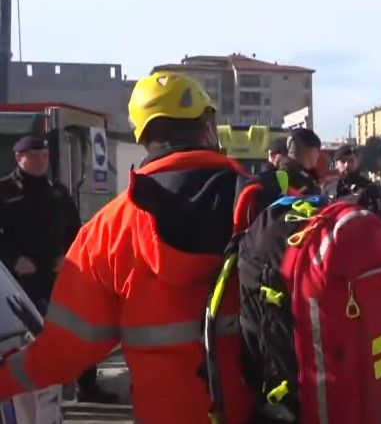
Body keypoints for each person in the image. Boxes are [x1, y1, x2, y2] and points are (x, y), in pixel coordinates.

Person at [0, 72, 262, 423]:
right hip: (261, 412)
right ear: (208, 127)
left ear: (144, 137)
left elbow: (63, 351)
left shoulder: (109, 228)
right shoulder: (264, 207)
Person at [0, 135, 118, 404]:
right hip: (22, 280)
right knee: (34, 335)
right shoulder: (4, 191)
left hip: (58, 272)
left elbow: (75, 231)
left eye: (44, 156)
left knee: (80, 327)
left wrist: (69, 255)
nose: (42, 161)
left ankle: (87, 385)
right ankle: (34, 392)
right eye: (35, 156)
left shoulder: (58, 192)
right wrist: (13, 258)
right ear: (19, 158)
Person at [252, 128, 323, 206]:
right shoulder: (296, 178)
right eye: (317, 150)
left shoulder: (286, 173)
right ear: (309, 150)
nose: (318, 155)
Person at [323, 144, 381, 214]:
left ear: (357, 162)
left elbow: (377, 218)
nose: (347, 165)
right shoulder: (329, 189)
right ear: (336, 164)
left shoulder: (369, 188)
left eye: (351, 160)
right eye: (343, 161)